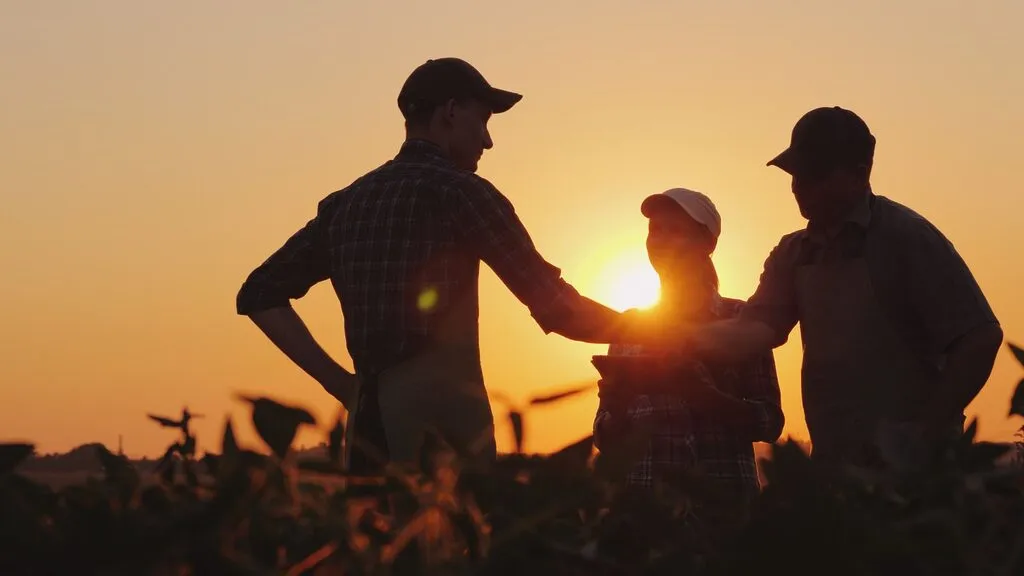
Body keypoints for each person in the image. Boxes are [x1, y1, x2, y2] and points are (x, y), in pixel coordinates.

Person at [235, 57, 623, 474]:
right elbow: (557, 308)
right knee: (453, 538)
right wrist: (654, 331)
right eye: (484, 120)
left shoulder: (347, 204)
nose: (488, 141)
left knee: (373, 540)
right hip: (445, 446)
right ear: (451, 111)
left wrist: (344, 386)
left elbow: (259, 293)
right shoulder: (461, 193)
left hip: (367, 437)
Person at [627, 107, 1003, 469]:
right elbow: (755, 330)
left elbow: (980, 338)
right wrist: (675, 338)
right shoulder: (794, 253)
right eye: (795, 173)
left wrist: (922, 435)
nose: (799, 186)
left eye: (814, 174)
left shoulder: (907, 238)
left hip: (918, 477)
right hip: (835, 469)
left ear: (861, 173)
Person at [593, 188, 784, 543]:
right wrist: (617, 408)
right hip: (643, 521)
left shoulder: (741, 320)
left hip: (725, 520)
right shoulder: (628, 327)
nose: (661, 240)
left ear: (707, 243)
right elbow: (605, 437)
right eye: (655, 230)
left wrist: (708, 399)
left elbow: (770, 421)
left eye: (675, 230)